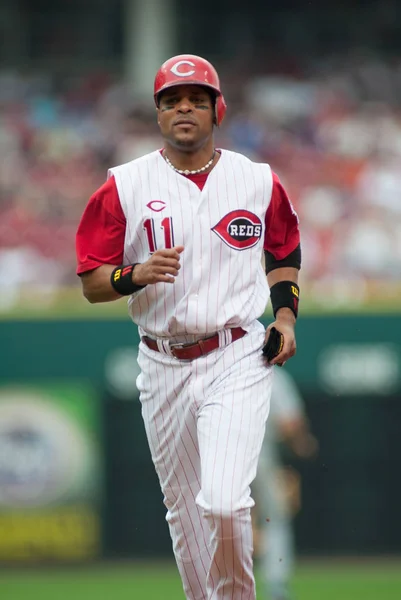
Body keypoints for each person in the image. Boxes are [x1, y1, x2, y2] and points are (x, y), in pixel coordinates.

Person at [75, 54, 302, 600]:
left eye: (196, 101)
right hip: (162, 361)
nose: (183, 109)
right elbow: (91, 281)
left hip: (237, 352)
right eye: (172, 101)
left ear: (216, 109)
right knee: (184, 512)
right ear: (158, 113)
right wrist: (135, 274)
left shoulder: (256, 180)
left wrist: (287, 316)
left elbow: (284, 249)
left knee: (224, 501)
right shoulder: (123, 185)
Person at [252, 369, 318, 600]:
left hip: (219, 454)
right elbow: (290, 422)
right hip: (260, 455)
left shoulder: (225, 366)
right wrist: (301, 443)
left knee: (222, 518)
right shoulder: (273, 376)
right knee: (275, 518)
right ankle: (276, 585)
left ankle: (218, 584)